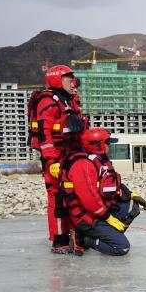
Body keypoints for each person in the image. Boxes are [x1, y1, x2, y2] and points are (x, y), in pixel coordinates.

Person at [27, 65, 88, 253]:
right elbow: (44, 135)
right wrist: (51, 161)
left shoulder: (69, 101)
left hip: (72, 156)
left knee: (74, 195)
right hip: (56, 158)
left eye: (73, 80)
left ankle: (73, 234)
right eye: (69, 80)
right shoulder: (48, 101)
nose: (73, 83)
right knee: (58, 198)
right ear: (57, 80)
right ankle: (58, 239)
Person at [60, 128, 146, 256]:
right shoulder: (84, 165)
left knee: (132, 206)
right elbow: (89, 200)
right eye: (108, 143)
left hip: (100, 211)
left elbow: (112, 183)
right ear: (98, 145)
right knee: (122, 248)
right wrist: (108, 218)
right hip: (87, 217)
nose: (110, 146)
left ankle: (108, 235)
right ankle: (83, 240)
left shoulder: (100, 161)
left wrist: (130, 194)